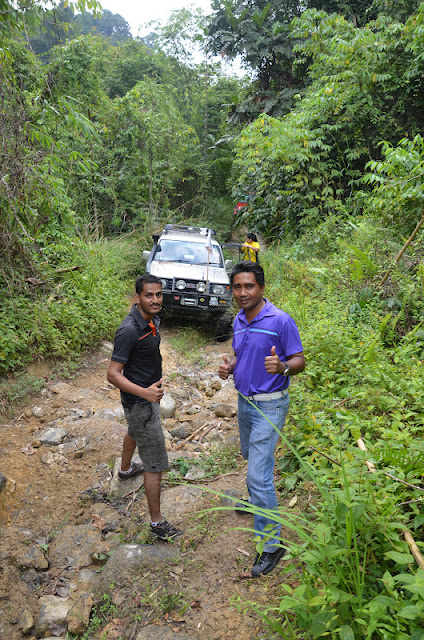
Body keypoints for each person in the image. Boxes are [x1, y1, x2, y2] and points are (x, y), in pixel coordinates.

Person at [218, 262, 305, 577]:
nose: (242, 293)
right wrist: (231, 367)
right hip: (244, 402)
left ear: (261, 288)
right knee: (249, 457)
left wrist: (282, 367)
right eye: (237, 287)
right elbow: (241, 353)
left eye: (249, 286)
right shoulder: (239, 320)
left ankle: (272, 545)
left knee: (259, 475)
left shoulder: (280, 320)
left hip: (270, 405)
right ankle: (257, 500)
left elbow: (299, 360)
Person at [107, 274, 183, 541]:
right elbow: (113, 374)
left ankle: (126, 469)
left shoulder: (150, 320)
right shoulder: (129, 330)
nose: (155, 300)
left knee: (132, 429)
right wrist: (146, 393)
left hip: (139, 402)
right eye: (149, 295)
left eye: (158, 295)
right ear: (136, 297)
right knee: (155, 465)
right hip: (141, 402)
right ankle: (157, 523)